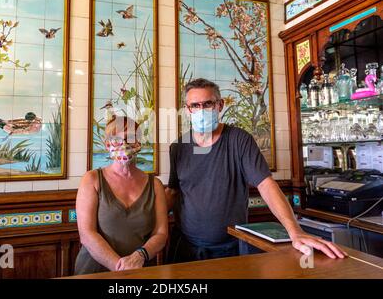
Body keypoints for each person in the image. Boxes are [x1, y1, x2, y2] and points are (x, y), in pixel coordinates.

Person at [165, 78, 347, 263]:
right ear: (188, 109)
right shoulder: (178, 148)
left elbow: (266, 184)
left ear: (220, 105)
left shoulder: (239, 140)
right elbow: (173, 191)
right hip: (185, 248)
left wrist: (295, 231)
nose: (201, 110)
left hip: (230, 248)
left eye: (208, 104)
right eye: (195, 105)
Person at [74, 115, 168, 274]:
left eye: (130, 138)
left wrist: (140, 256)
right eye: (116, 139)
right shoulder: (91, 180)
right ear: (107, 144)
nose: (123, 144)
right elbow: (87, 234)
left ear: (139, 143)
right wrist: (121, 268)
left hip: (140, 269)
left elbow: (161, 233)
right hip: (94, 271)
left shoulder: (155, 185)